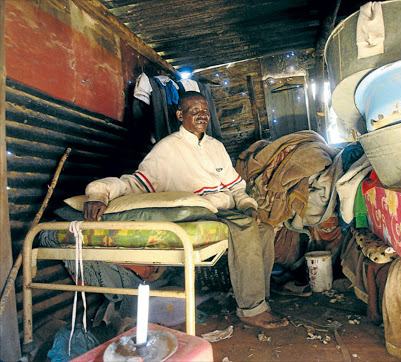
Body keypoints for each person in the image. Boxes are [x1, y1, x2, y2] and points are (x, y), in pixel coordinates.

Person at [83, 91, 289, 329]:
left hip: (224, 207)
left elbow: (236, 188)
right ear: (180, 115)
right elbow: (136, 183)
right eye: (194, 111)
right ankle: (251, 310)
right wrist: (99, 193)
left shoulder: (215, 146)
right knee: (245, 228)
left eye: (205, 111)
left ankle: (257, 299)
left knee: (262, 229)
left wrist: (247, 205)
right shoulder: (167, 148)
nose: (202, 116)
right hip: (198, 209)